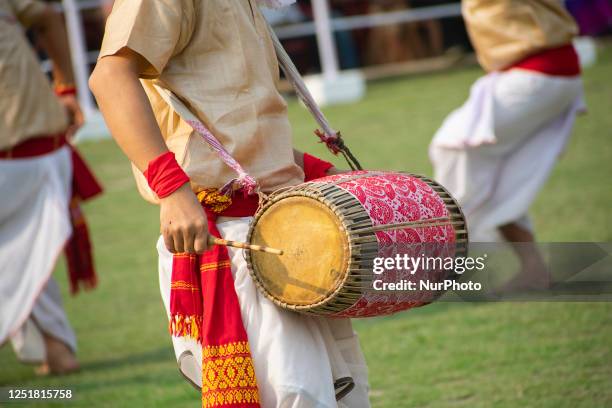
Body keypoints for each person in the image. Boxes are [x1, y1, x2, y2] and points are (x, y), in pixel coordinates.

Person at [89, 0, 370, 407]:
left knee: (334, 395)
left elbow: (235, 123)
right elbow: (110, 77)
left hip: (286, 230)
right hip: (233, 240)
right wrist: (171, 189)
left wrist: (316, 171)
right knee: (300, 396)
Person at [429, 0, 585, 290]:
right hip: (549, 73)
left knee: (452, 146)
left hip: (534, 76)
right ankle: (535, 270)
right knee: (503, 179)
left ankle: (443, 255)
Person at [0, 0, 102, 375]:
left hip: (23, 150)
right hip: (40, 145)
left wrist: (65, 88)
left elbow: (46, 16)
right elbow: (46, 16)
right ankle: (55, 348)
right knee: (20, 251)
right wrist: (65, 87)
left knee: (18, 251)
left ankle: (55, 348)